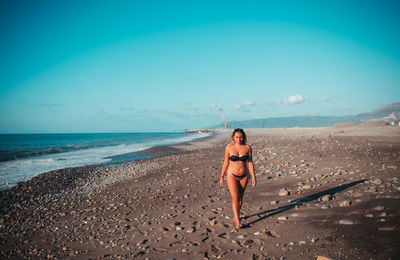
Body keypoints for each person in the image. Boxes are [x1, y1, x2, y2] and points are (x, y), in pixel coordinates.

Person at [220, 128, 256, 229]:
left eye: (241, 137)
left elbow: (250, 162)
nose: (239, 139)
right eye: (237, 137)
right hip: (231, 175)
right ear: (233, 137)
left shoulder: (247, 147)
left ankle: (236, 216)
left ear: (243, 137)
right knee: (235, 198)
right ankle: (238, 222)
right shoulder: (229, 148)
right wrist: (222, 177)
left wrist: (253, 176)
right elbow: (226, 163)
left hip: (244, 176)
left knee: (240, 199)